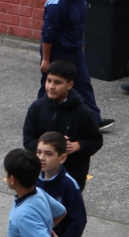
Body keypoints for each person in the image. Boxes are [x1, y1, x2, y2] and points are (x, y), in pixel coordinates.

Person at [40, 0, 114, 130]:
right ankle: (41, 119)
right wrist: (46, 59)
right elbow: (48, 33)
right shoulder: (57, 4)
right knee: (50, 86)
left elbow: (78, 24)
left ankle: (94, 120)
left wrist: (80, 44)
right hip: (58, 51)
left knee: (83, 83)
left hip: (74, 50)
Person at [23, 59, 102, 192]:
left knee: (66, 211)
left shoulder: (83, 112)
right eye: (49, 80)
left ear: (69, 85)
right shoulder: (36, 108)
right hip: (41, 174)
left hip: (72, 175)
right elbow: (28, 140)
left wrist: (77, 145)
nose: (51, 86)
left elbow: (96, 141)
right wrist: (48, 148)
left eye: (57, 82)